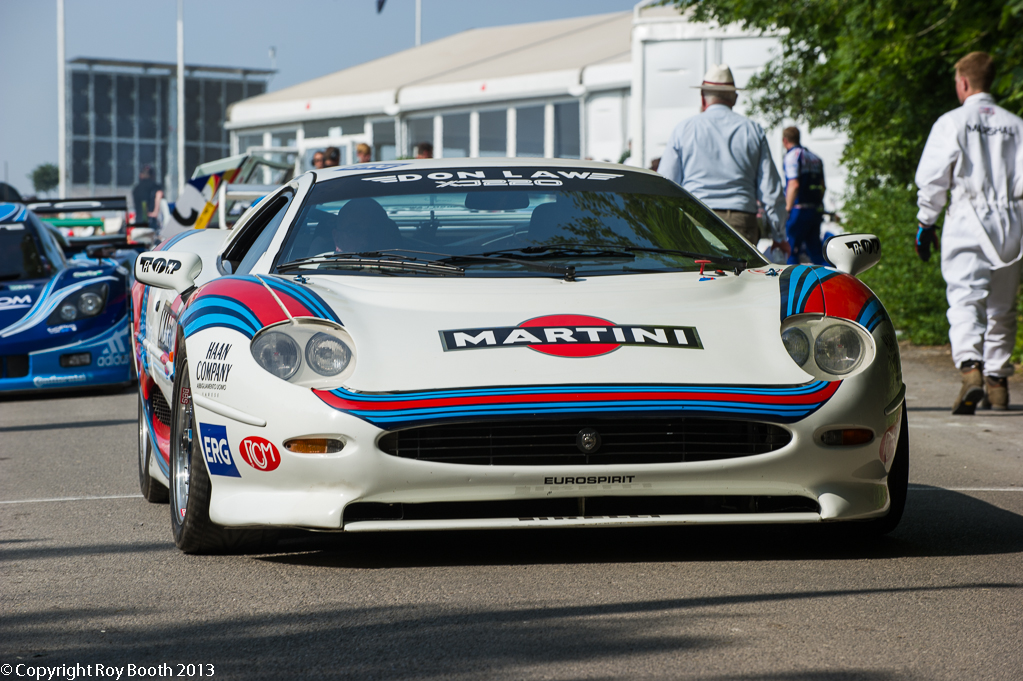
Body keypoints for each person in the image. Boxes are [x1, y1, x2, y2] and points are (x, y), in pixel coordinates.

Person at [915, 51, 1023, 414]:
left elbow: (933, 179)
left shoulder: (952, 122)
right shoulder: (1016, 124)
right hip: (1013, 220)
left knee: (965, 298)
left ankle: (971, 368)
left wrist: (926, 222)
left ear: (963, 82)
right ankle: (998, 383)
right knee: (1003, 306)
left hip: (968, 218)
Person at [658, 65, 788, 253]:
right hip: (741, 221)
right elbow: (771, 191)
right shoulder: (752, 130)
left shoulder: (683, 129)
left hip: (696, 218)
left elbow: (666, 185)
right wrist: (779, 236)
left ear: (702, 97)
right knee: (741, 272)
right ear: (734, 97)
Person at [781, 126, 826, 265]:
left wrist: (787, 209)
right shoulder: (815, 158)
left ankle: (791, 279)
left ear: (785, 140)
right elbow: (822, 186)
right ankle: (830, 277)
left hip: (798, 211)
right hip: (815, 210)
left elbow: (794, 184)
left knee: (791, 252)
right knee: (816, 253)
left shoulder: (792, 157)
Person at [131, 165, 163, 230]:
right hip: (150, 223)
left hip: (138, 222)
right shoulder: (155, 186)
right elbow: (159, 194)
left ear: (141, 175)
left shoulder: (136, 189)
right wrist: (155, 212)